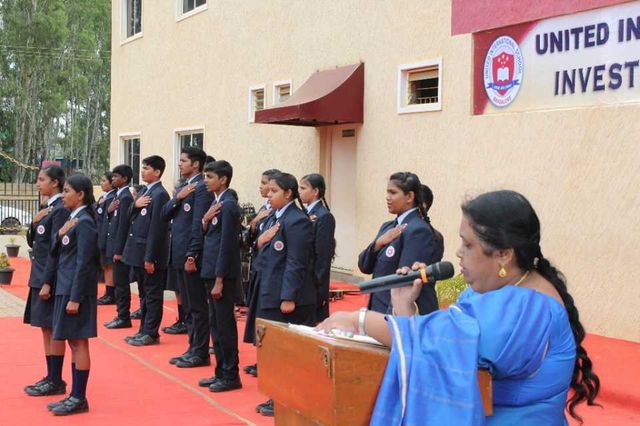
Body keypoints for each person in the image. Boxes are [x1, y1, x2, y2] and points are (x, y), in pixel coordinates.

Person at [318, 190, 600, 425]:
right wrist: (403, 305)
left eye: (468, 245)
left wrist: (359, 320)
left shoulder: (529, 308)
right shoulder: (498, 288)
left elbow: (446, 342)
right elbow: (439, 349)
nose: (458, 253)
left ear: (503, 254)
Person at [253, 172, 316, 416]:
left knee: (286, 350)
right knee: (271, 348)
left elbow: (296, 261)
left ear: (288, 193)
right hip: (269, 289)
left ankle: (287, 397)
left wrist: (288, 296)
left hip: (286, 296)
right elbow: (259, 247)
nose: (268, 196)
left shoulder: (296, 220)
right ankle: (277, 395)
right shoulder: (274, 217)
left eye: (274, 191)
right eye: (267, 191)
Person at [46, 174, 100, 415]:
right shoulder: (72, 219)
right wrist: (59, 235)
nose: (64, 194)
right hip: (65, 288)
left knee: (79, 342)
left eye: (67, 191)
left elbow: (85, 263)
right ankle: (74, 395)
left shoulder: (85, 221)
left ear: (81, 195)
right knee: (71, 340)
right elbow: (56, 252)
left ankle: (79, 397)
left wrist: (75, 298)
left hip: (76, 291)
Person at [161, 147, 215, 368]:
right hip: (178, 252)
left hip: (190, 255)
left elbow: (197, 224)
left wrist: (192, 254)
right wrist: (177, 198)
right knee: (190, 306)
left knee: (197, 306)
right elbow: (165, 214)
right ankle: (193, 348)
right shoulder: (183, 187)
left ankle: (200, 352)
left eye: (183, 161)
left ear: (196, 165)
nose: (179, 163)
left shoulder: (202, 188)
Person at [358, 172, 440, 315]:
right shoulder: (388, 227)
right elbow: (364, 265)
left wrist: (390, 323)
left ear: (409, 196)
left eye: (393, 192)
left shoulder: (418, 230)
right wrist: (378, 243)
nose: (387, 197)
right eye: (387, 192)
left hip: (393, 316)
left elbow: (404, 283)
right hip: (377, 310)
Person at [23, 165, 70, 397]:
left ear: (55, 183)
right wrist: (33, 222)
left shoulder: (60, 210)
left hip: (47, 278)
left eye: (42, 179)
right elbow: (35, 242)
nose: (38, 183)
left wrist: (48, 282)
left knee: (52, 328)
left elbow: (56, 250)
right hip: (39, 274)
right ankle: (51, 376)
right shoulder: (47, 208)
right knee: (44, 327)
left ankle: (56, 379)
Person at [197, 160, 243, 392]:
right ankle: (220, 371)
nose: (205, 180)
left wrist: (219, 280)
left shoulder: (228, 205)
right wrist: (205, 220)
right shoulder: (217, 204)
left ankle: (230, 374)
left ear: (223, 179)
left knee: (224, 325)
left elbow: (227, 245)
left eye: (210, 176)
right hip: (210, 270)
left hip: (220, 275)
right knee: (215, 323)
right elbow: (211, 236)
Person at [122, 156, 171, 346]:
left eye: (146, 168)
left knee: (152, 294)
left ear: (157, 172)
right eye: (142, 168)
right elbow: (129, 216)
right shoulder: (144, 191)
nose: (142, 171)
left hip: (150, 254)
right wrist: (134, 204)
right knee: (143, 293)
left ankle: (151, 332)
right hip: (137, 251)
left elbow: (157, 229)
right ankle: (143, 329)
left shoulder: (160, 194)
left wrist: (150, 257)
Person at [242, 168, 280, 378]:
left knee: (265, 318)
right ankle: (259, 359)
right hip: (257, 267)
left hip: (268, 271)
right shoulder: (264, 210)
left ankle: (265, 362)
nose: (262, 186)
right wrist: (255, 223)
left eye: (266, 183)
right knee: (256, 316)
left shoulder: (276, 212)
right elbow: (249, 241)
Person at [299, 173, 336, 323]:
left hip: (314, 279)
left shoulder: (324, 216)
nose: (299, 191)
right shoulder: (305, 213)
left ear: (315, 191)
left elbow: (323, 254)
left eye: (303, 188)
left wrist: (317, 284)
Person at [104, 165, 136, 329]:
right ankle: (120, 314)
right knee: (118, 283)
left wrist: (118, 251)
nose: (113, 179)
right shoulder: (119, 195)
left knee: (121, 284)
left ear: (124, 179)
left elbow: (123, 226)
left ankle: (123, 316)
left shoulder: (125, 198)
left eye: (116, 176)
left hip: (121, 249)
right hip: (115, 246)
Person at [96, 172, 117, 305]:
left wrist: (105, 209)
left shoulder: (113, 198)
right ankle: (108, 291)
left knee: (109, 265)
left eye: (104, 180)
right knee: (105, 265)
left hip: (109, 236)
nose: (101, 183)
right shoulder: (103, 198)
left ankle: (111, 293)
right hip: (101, 235)